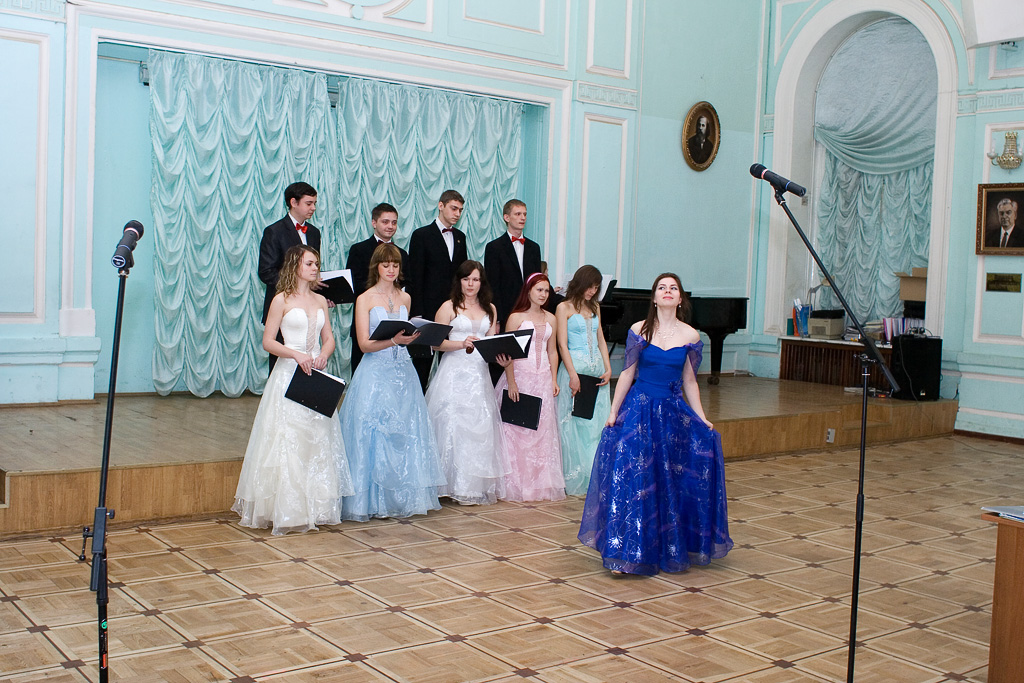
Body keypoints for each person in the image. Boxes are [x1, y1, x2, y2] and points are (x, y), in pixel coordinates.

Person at [578, 273, 732, 576]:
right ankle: (626, 552)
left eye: (673, 288)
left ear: (680, 298)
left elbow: (690, 381)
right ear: (654, 297)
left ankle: (663, 546)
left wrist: (701, 417)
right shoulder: (639, 329)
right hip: (639, 410)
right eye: (662, 287)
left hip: (671, 414)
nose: (667, 291)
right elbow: (627, 373)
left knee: (666, 481)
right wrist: (613, 412)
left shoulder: (691, 335)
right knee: (635, 479)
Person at [234, 245, 354, 535]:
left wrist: (324, 354)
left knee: (316, 439)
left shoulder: (321, 300)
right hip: (289, 373)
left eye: (317, 264)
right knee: (288, 441)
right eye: (309, 263)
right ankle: (288, 510)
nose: (315, 268)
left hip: (315, 373)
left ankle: (316, 508)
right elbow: (268, 342)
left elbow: (329, 338)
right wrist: (295, 354)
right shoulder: (281, 299)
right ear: (295, 266)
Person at [339, 243, 445, 520]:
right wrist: (393, 341)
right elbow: (364, 344)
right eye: (386, 265)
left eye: (395, 265)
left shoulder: (405, 298)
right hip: (374, 372)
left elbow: (405, 333)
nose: (391, 269)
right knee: (373, 433)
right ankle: (369, 501)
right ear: (376, 267)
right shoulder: (365, 298)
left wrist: (411, 337)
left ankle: (401, 498)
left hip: (403, 372)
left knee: (405, 431)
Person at [425, 261, 510, 505]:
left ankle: (471, 486)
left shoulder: (490, 309)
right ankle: (448, 483)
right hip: (454, 372)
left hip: (479, 373)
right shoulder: (448, 307)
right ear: (459, 281)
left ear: (482, 283)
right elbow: (435, 344)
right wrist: (461, 344)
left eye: (475, 279)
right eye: (466, 279)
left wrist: (501, 358)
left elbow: (492, 342)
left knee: (479, 425)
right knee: (451, 424)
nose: (471, 284)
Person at [495, 272, 565, 502]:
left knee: (542, 429)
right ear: (529, 291)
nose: (543, 295)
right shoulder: (516, 317)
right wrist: (511, 382)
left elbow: (552, 351)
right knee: (516, 430)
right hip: (520, 376)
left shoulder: (551, 318)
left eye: (546, 291)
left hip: (542, 377)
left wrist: (553, 379)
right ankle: (516, 484)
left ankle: (538, 484)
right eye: (539, 290)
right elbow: (507, 353)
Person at [555, 265, 612, 495]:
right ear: (580, 283)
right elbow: (562, 344)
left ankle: (594, 473)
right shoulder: (563, 307)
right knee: (576, 423)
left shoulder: (595, 306)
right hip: (575, 369)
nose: (592, 291)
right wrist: (572, 375)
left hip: (596, 369)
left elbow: (601, 339)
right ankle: (578, 474)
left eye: (596, 287)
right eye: (590, 286)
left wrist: (608, 368)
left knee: (595, 422)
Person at [407, 190, 469, 390]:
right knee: (421, 367)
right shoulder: (421, 235)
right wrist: (416, 313)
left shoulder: (460, 237)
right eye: (454, 208)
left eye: (460, 210)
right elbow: (415, 276)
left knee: (450, 364)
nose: (457, 214)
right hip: (426, 313)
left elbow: (462, 276)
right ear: (440, 206)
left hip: (453, 312)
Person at [259, 182, 322, 372]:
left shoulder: (314, 232)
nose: (313, 208)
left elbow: (313, 268)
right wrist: (294, 288)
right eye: (309, 203)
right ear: (293, 202)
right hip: (284, 308)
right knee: (280, 364)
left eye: (314, 203)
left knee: (311, 360)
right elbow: (266, 271)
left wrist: (322, 291)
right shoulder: (274, 231)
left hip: (309, 307)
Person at [345, 202, 409, 372]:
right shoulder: (359, 250)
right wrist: (379, 292)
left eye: (394, 222)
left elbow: (406, 283)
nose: (390, 226)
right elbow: (354, 284)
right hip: (368, 321)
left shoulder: (403, 254)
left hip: (395, 322)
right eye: (385, 222)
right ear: (374, 223)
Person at [484, 199, 542, 330]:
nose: (523, 218)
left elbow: (537, 281)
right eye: (518, 214)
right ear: (507, 217)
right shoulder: (494, 247)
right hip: (506, 310)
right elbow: (492, 285)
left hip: (530, 310)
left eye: (525, 214)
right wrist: (497, 318)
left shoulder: (534, 248)